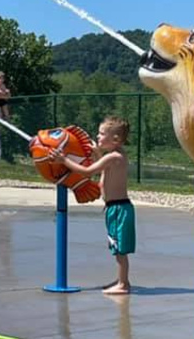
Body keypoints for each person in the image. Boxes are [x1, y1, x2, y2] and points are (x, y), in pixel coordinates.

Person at [50, 117, 135, 294]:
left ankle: (124, 284)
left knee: (120, 249)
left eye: (102, 134)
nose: (98, 136)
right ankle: (121, 279)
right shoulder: (116, 155)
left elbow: (88, 172)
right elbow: (104, 171)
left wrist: (63, 159)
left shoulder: (114, 157)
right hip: (116, 208)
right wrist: (97, 154)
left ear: (116, 139)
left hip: (119, 209)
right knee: (116, 247)